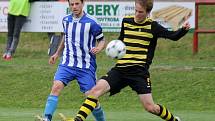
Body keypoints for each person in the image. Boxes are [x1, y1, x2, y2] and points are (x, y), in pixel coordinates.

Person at [63, 0, 191, 121]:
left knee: (151, 108)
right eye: (135, 10)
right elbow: (121, 41)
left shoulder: (153, 26)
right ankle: (78, 119)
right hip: (120, 69)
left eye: (140, 12)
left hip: (139, 72)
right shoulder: (126, 21)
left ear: (148, 13)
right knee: (94, 91)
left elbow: (173, 36)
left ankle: (173, 119)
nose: (137, 14)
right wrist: (114, 48)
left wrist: (183, 30)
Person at [35, 0, 106, 121]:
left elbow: (102, 39)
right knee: (56, 86)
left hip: (86, 66)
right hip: (67, 63)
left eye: (77, 3)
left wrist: (99, 48)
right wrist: (57, 53)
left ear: (83, 4)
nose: (74, 6)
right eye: (72, 4)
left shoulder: (92, 22)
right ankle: (47, 118)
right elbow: (65, 37)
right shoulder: (66, 20)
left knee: (92, 97)